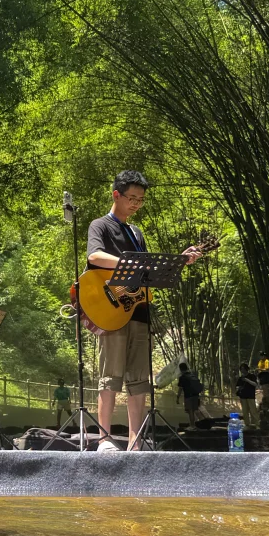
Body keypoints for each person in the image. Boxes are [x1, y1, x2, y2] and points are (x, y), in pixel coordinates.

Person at [86, 171, 199, 451]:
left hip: (138, 310)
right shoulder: (99, 225)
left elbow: (149, 271)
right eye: (132, 198)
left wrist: (179, 261)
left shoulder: (137, 233)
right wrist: (131, 265)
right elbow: (94, 256)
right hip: (110, 310)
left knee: (139, 379)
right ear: (116, 195)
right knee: (110, 375)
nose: (136, 204)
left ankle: (136, 441)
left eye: (141, 200)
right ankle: (104, 439)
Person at [176, 360, 204, 427]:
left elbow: (180, 389)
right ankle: (203, 423)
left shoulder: (182, 377)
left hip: (188, 396)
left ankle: (192, 426)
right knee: (196, 410)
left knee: (190, 411)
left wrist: (177, 398)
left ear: (180, 369)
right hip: (196, 395)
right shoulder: (192, 375)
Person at [235, 362, 259, 428]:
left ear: (246, 369)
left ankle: (257, 424)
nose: (242, 370)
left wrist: (247, 380)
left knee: (253, 410)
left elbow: (255, 384)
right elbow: (237, 386)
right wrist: (238, 389)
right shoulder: (240, 378)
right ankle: (247, 424)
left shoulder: (252, 376)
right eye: (241, 369)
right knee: (245, 411)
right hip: (243, 396)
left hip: (250, 395)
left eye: (243, 369)